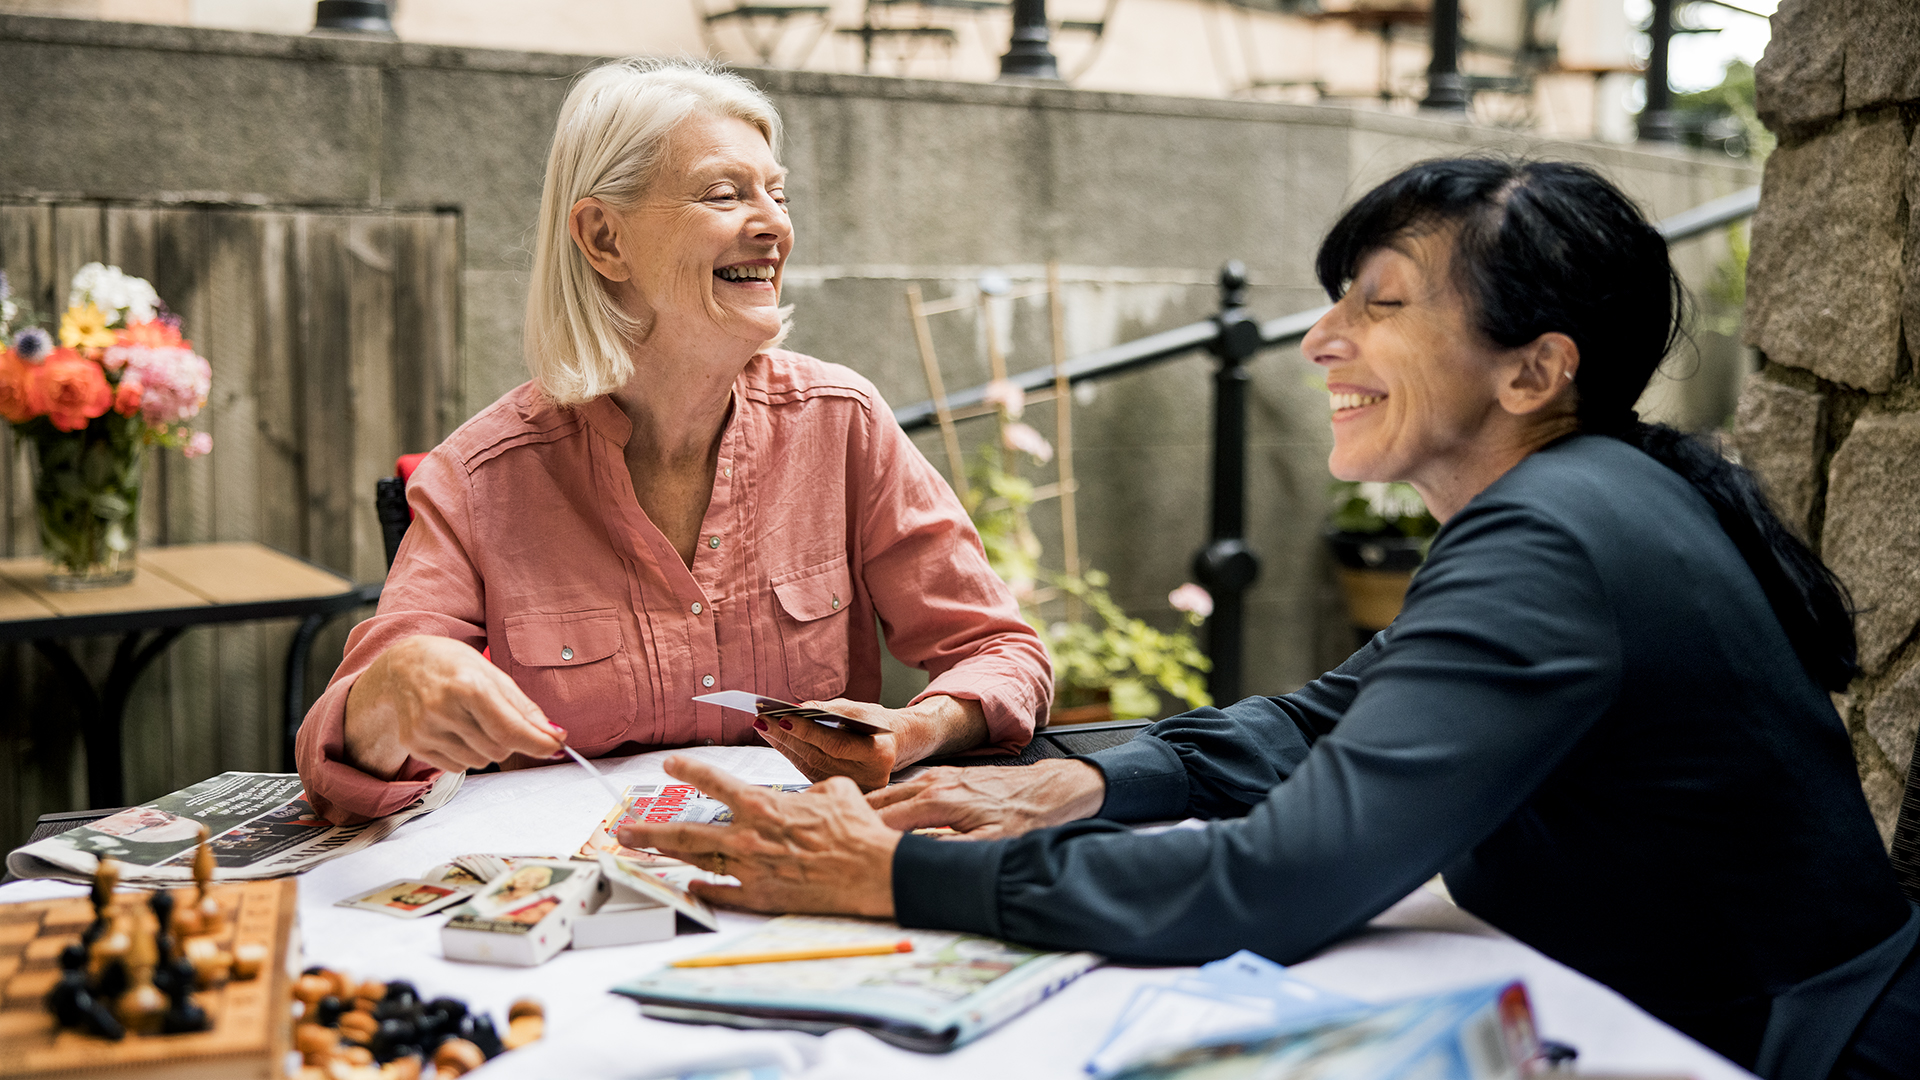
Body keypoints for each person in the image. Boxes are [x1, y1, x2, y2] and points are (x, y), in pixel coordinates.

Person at [619, 160, 1920, 1080]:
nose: (1321, 340)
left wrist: (888, 872)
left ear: (1535, 369)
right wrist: (1061, 786)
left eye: (1382, 304)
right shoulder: (1587, 498)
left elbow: (1284, 877)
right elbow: (1315, 725)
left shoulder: (1557, 535)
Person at [295, 59, 1051, 825]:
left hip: (803, 872)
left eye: (777, 194)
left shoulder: (841, 422)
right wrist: (393, 690)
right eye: (725, 194)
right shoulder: (481, 477)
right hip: (573, 903)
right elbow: (334, 765)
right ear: (603, 237)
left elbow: (1003, 653)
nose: (774, 224)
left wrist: (915, 727)